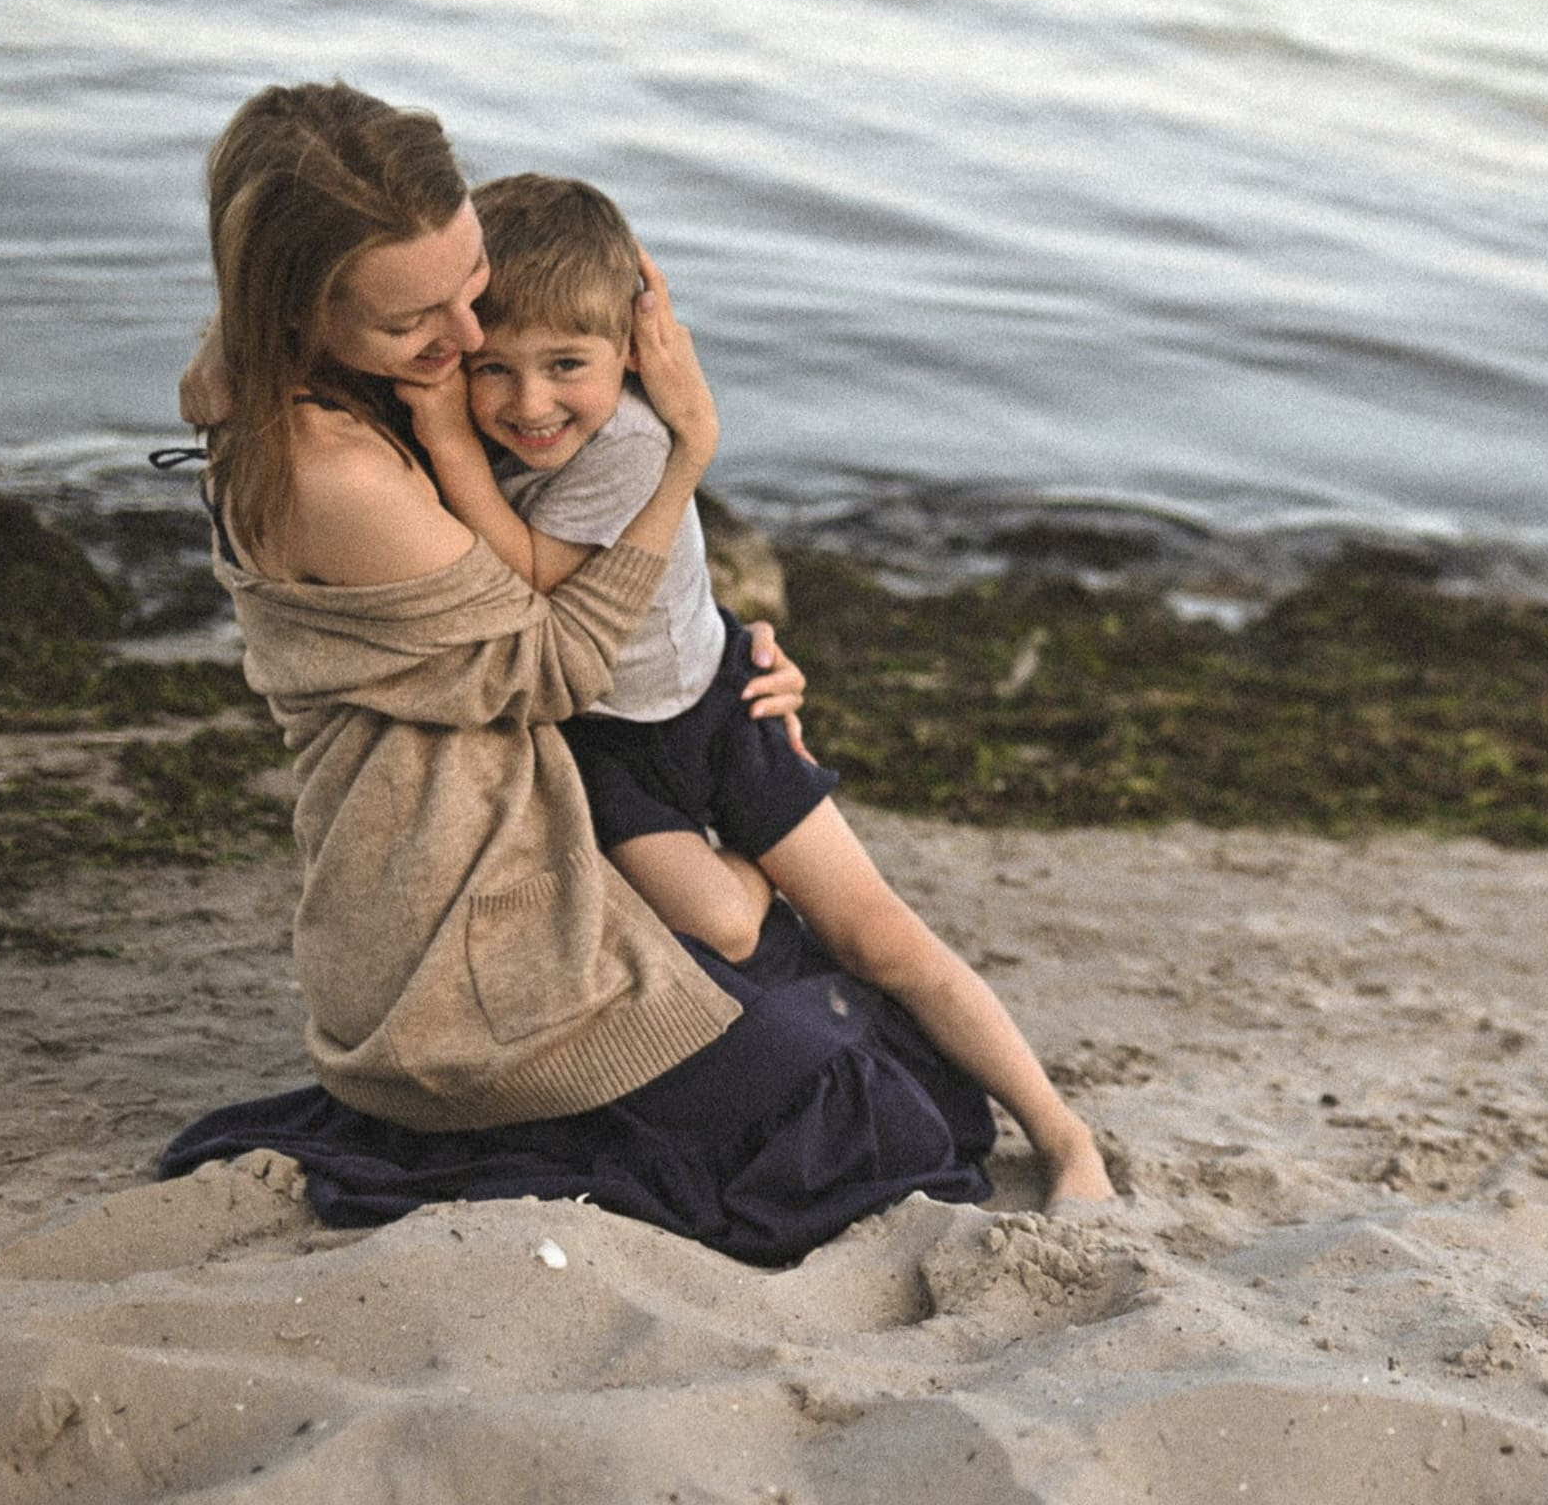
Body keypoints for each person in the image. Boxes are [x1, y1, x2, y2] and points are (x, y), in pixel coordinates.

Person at [154, 83, 1092, 1266]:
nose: (463, 340)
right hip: (465, 889)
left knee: (858, 1008)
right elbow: (557, 661)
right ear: (298, 308)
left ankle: (1049, 1123)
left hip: (590, 772)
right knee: (838, 1110)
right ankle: (736, 898)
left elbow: (231, 371)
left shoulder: (345, 368)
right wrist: (688, 456)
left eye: (469, 284)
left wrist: (719, 639)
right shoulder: (330, 462)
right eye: (419, 324)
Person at [401, 170, 1116, 1207]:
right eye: (493, 369)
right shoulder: (501, 426)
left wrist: (444, 434)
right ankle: (761, 880)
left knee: (879, 936)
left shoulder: (637, 442)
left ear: (634, 352)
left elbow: (530, 576)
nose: (529, 403)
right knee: (728, 924)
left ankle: (1061, 1131)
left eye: (567, 364)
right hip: (600, 740)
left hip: (712, 703)